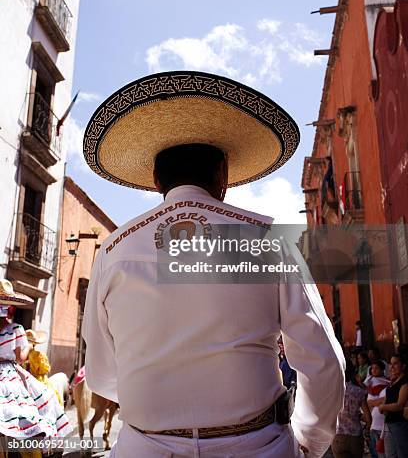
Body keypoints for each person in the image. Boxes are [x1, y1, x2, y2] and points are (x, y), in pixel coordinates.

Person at [82, 71, 345, 457]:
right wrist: (310, 440)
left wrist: (160, 408)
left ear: (157, 180)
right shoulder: (267, 238)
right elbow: (322, 361)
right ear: (223, 174)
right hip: (259, 449)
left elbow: (103, 374)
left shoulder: (112, 250)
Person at [0, 280, 72, 446]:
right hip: (10, 373)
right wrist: (26, 347)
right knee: (47, 398)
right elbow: (20, 359)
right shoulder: (16, 329)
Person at [331, 359, 372, 458]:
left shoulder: (332, 391)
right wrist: (366, 429)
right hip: (355, 437)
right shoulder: (358, 391)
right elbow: (368, 418)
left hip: (338, 435)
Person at [378, 354, 408, 457]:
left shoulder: (405, 382)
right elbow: (387, 401)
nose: (392, 367)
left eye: (395, 363)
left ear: (403, 366)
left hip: (400, 424)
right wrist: (383, 407)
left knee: (402, 454)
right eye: (391, 364)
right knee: (390, 455)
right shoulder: (393, 382)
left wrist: (383, 407)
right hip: (388, 425)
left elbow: (400, 405)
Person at [25, 329, 63, 406]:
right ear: (35, 344)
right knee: (54, 394)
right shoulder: (39, 355)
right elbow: (45, 369)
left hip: (24, 379)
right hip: (39, 380)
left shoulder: (22, 356)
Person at [365, 361, 389, 458]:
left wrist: (374, 402)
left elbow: (386, 400)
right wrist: (379, 402)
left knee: (383, 453)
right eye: (372, 368)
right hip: (373, 425)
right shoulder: (370, 383)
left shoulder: (388, 384)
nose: (373, 370)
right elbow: (369, 403)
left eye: (376, 368)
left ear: (382, 370)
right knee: (375, 453)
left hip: (383, 425)